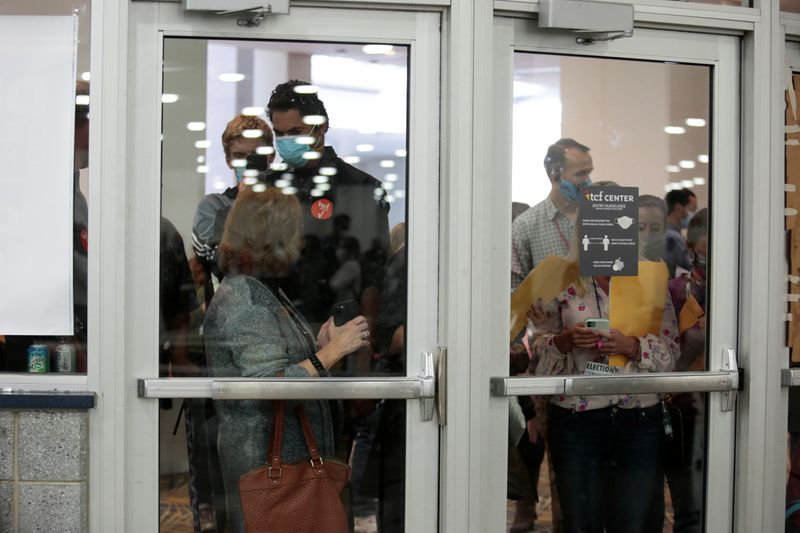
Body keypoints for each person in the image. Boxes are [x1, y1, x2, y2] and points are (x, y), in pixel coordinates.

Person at [203, 186, 370, 532]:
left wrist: (319, 346)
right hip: (270, 471)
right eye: (294, 229)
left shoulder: (258, 290)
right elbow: (268, 385)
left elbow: (277, 362)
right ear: (272, 236)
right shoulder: (245, 301)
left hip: (278, 467)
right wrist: (331, 352)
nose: (301, 238)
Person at [527, 190, 680, 532]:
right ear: (585, 230)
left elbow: (671, 352)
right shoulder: (560, 281)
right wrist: (564, 342)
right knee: (582, 523)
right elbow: (537, 354)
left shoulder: (652, 278)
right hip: (577, 421)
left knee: (636, 523)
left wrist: (632, 345)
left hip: (640, 417)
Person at [266, 80, 390, 331]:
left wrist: (367, 342)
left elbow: (374, 280)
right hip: (276, 327)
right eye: (279, 134)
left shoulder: (360, 188)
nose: (286, 140)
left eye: (296, 131)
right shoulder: (266, 187)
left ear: (320, 127)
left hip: (340, 327)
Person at [2, 81, 89, 372]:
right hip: (32, 339)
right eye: (92, 122)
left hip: (66, 334)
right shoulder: (34, 188)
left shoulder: (71, 188)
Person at [191, 114, 275, 308]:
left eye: (256, 154)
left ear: (270, 156)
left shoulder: (285, 206)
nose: (247, 162)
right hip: (229, 324)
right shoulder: (213, 206)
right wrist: (244, 203)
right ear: (228, 160)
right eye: (239, 156)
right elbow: (223, 264)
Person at [511, 138, 593, 289]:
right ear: (554, 174)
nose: (588, 181)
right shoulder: (525, 227)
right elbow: (513, 292)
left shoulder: (602, 216)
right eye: (581, 174)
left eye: (589, 172)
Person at [664, 188, 697, 277]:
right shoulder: (673, 237)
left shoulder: (667, 234)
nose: (694, 215)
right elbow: (690, 267)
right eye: (692, 210)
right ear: (678, 207)